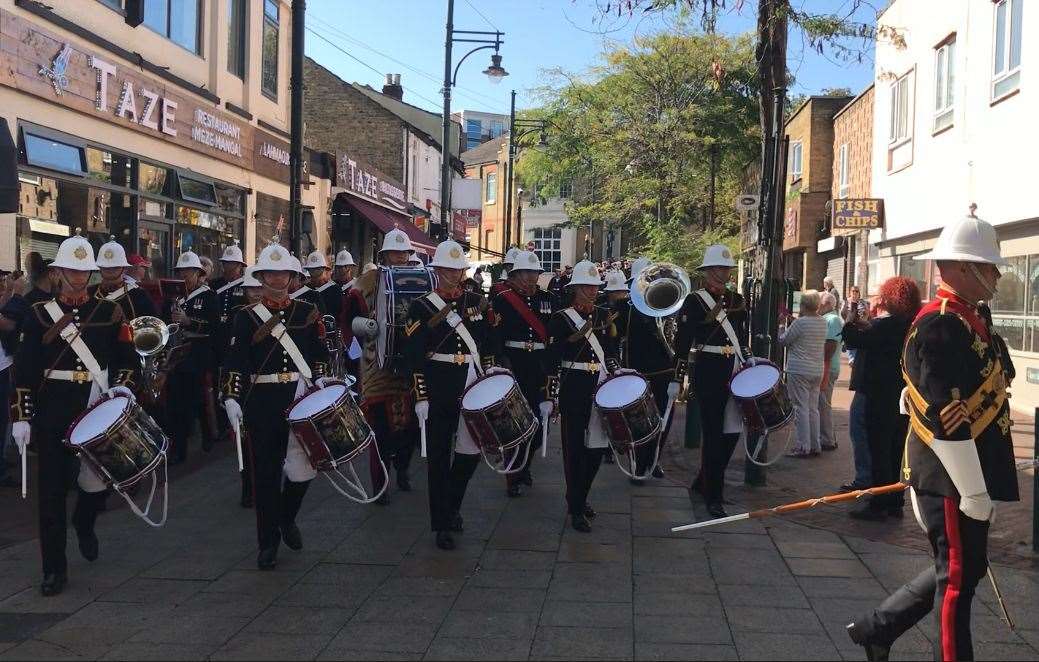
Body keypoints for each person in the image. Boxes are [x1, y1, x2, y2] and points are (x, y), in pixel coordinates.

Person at [847, 210, 1017, 662]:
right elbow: (947, 415)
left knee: (964, 567)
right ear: (964, 268)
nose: (998, 274)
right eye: (991, 265)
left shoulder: (970, 317)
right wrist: (973, 489)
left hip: (969, 466)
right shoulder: (942, 324)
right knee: (957, 579)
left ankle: (877, 628)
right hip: (950, 473)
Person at [11, 234, 138, 596]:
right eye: (72, 270)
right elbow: (25, 368)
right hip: (52, 409)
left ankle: (85, 519)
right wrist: (21, 415)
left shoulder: (111, 312)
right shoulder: (38, 315)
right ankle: (54, 569)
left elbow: (127, 362)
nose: (79, 278)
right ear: (58, 272)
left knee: (103, 479)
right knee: (50, 493)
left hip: (93, 405)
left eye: (84, 272)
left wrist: (124, 388)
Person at [222, 243, 329, 570]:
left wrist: (322, 382)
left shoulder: (307, 312)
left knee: (307, 467)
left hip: (299, 396)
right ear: (262, 276)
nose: (278, 278)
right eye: (272, 272)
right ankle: (267, 543)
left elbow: (319, 354)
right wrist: (231, 396)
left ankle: (287, 516)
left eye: (284, 273)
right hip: (263, 402)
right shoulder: (246, 318)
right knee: (266, 475)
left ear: (293, 277)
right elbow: (234, 362)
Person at [402, 240, 499, 550]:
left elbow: (487, 343)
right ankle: (441, 523)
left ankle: (453, 503)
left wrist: (490, 376)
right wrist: (421, 395)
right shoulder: (421, 305)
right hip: (439, 380)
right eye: (447, 269)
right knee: (439, 455)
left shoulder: (476, 301)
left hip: (470, 378)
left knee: (471, 451)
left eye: (458, 270)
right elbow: (414, 354)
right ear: (437, 270)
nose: (453, 275)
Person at [671, 245, 747, 519]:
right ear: (707, 272)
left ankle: (705, 479)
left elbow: (741, 336)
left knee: (732, 433)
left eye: (726, 269)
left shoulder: (737, 299)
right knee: (713, 434)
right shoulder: (694, 301)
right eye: (718, 269)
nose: (723, 274)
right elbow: (683, 341)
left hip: (733, 368)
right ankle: (714, 494)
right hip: (708, 370)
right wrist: (677, 377)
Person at [546, 260, 620, 533]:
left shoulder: (603, 316)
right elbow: (552, 356)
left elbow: (611, 350)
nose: (591, 291)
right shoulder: (560, 318)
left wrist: (615, 368)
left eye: (594, 287)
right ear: (575, 288)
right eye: (586, 287)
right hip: (574, 386)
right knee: (574, 449)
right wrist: (574, 340)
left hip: (600, 384)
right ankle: (576, 507)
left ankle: (580, 495)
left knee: (598, 448)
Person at [350, 230, 421, 501]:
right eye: (395, 253)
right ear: (385, 255)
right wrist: (365, 326)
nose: (400, 257)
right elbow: (349, 319)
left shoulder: (419, 278)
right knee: (379, 430)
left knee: (410, 427)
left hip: (410, 365)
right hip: (376, 363)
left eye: (404, 253)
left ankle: (402, 469)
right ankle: (380, 485)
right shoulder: (368, 281)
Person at [842, 276, 919, 521]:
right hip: (902, 396)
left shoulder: (884, 326)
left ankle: (878, 503)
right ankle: (896, 500)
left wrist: (852, 321)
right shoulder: (912, 325)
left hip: (878, 395)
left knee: (878, 450)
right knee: (896, 449)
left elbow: (851, 338)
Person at [489, 250, 554, 498]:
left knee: (540, 425)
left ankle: (525, 464)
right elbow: (495, 334)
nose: (530, 278)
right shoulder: (504, 299)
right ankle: (512, 476)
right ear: (514, 275)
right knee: (514, 424)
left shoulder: (548, 299)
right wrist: (502, 363)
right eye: (525, 273)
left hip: (539, 365)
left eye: (534, 273)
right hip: (514, 363)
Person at [618, 257, 671, 482]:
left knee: (662, 418)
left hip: (663, 370)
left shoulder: (664, 305)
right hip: (636, 370)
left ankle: (655, 459)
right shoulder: (624, 308)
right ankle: (639, 462)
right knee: (638, 420)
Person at [165, 251, 219, 464]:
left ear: (199, 273)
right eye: (182, 271)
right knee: (176, 403)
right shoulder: (175, 297)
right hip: (176, 355)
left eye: (190, 271)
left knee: (198, 401)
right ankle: (179, 449)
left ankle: (207, 435)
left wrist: (189, 322)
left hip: (198, 354)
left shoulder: (208, 296)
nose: (185, 275)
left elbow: (215, 326)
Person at [779, 290, 828, 458]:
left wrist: (780, 326)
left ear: (803, 305)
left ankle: (802, 446)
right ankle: (815, 444)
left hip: (799, 370)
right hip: (816, 370)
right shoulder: (822, 322)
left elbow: (784, 340)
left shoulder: (800, 323)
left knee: (800, 408)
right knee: (813, 408)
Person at [90, 238, 158, 319]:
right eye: (105, 267)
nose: (110, 270)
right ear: (99, 268)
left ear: (124, 268)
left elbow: (149, 327)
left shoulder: (139, 296)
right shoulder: (89, 293)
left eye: (115, 267)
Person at [819, 291, 843, 452]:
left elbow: (830, 345)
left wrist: (824, 369)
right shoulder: (827, 319)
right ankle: (826, 437)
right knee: (821, 403)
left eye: (820, 303)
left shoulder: (833, 319)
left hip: (828, 367)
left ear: (827, 304)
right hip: (825, 366)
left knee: (824, 404)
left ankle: (828, 439)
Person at [303, 251, 341, 319]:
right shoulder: (305, 290)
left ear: (323, 269)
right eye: (311, 270)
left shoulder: (335, 289)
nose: (314, 273)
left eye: (317, 270)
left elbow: (339, 314)